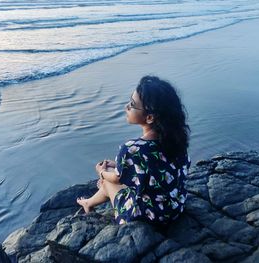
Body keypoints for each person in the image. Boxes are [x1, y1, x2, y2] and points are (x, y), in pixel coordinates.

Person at [77, 75, 190, 225]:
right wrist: (119, 165)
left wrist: (102, 172)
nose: (126, 107)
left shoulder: (131, 148)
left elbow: (117, 178)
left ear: (149, 118)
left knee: (106, 183)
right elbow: (153, 168)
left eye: (132, 104)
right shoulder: (176, 140)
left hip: (149, 217)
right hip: (175, 208)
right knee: (121, 180)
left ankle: (88, 203)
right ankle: (89, 202)